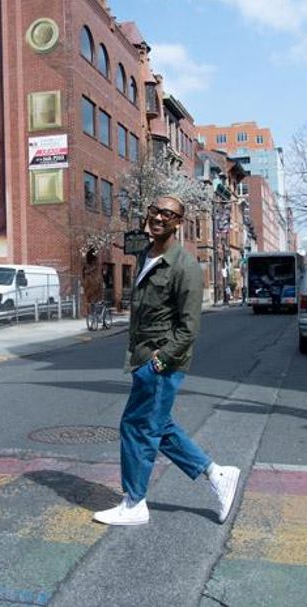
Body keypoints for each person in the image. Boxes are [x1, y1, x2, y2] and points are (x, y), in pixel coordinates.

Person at [93, 196, 241, 527]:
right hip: (143, 355)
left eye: (168, 214)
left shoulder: (184, 266)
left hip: (160, 362)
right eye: (155, 211)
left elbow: (189, 327)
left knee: (138, 427)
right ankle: (216, 474)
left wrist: (161, 360)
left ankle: (134, 503)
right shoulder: (146, 255)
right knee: (159, 425)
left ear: (178, 223)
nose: (159, 217)